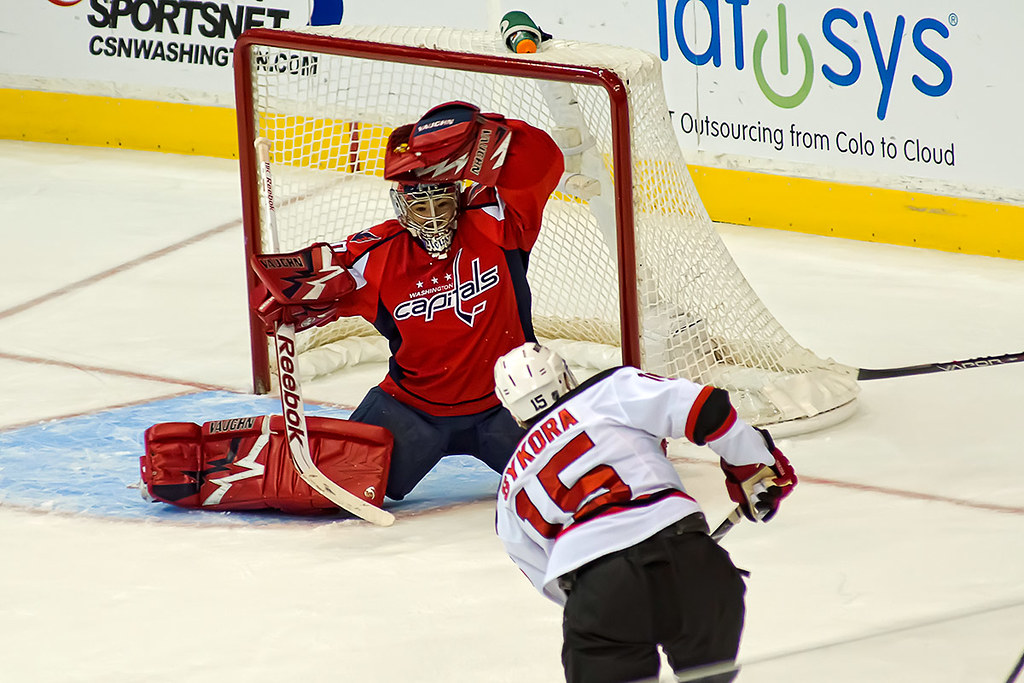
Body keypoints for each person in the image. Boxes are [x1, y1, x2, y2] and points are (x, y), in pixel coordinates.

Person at [251, 101, 564, 501]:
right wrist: (283, 302)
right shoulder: (375, 255)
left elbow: (543, 160)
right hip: (412, 410)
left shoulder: (494, 220)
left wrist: (482, 136)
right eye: (420, 204)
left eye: (442, 201)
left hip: (508, 402)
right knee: (337, 491)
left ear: (457, 194)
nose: (433, 214)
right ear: (401, 206)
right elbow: (285, 285)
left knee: (572, 479)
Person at [492, 343, 798, 683]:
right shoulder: (608, 391)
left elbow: (547, 577)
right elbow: (705, 408)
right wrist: (754, 466)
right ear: (566, 378)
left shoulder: (509, 488)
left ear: (513, 412)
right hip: (693, 565)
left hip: (601, 594)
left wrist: (610, 600)